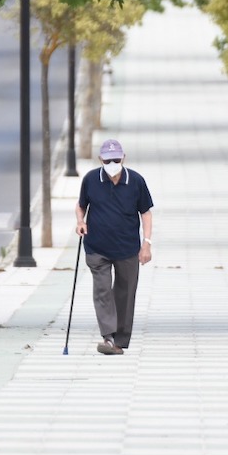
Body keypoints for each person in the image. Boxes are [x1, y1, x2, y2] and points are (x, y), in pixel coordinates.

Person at [75, 138, 154, 356]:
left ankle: (119, 341)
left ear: (123, 158)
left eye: (116, 160)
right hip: (97, 247)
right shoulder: (91, 179)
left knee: (125, 294)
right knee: (102, 290)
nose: (112, 164)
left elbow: (146, 213)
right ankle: (108, 338)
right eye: (108, 160)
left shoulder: (136, 181)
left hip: (127, 248)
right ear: (100, 159)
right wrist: (80, 222)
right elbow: (81, 206)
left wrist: (146, 244)